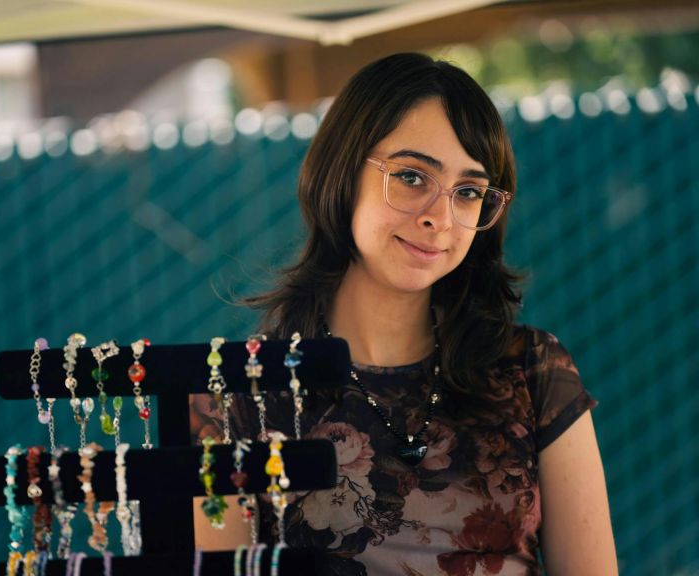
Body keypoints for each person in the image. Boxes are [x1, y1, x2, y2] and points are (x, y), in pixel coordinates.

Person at [190, 52, 618, 575]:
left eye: (468, 192)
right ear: (342, 171)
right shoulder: (238, 399)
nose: (440, 217)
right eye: (413, 177)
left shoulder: (532, 373)